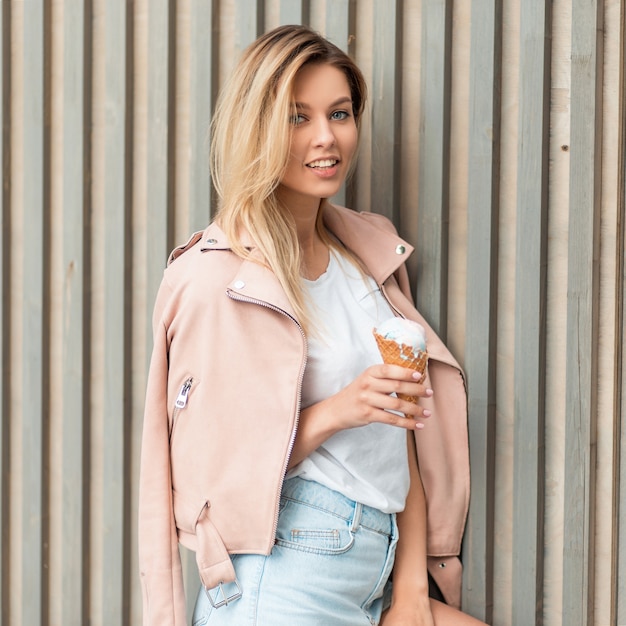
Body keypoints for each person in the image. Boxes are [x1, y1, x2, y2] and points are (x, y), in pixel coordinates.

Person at [138, 24, 486, 626]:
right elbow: (212, 479)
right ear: (259, 128)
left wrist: (408, 595)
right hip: (283, 574)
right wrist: (337, 410)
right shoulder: (217, 278)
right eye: (298, 117)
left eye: (340, 112)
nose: (326, 137)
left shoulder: (367, 256)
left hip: (376, 570)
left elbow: (399, 435)